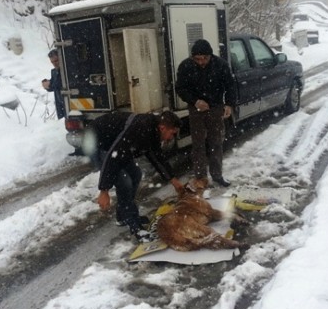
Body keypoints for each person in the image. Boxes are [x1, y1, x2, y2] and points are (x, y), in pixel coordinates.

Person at [83, 111, 184, 241]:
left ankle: (123, 216)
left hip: (115, 145)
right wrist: (104, 190)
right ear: (163, 128)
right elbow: (113, 157)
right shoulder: (140, 130)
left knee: (136, 174)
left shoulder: (153, 131)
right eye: (172, 133)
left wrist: (173, 180)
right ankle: (135, 227)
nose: (172, 138)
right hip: (98, 143)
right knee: (125, 181)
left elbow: (156, 157)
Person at [175, 39, 236, 187]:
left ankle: (217, 175)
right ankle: (201, 177)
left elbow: (230, 86)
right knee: (198, 144)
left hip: (216, 107)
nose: (201, 62)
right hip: (196, 109)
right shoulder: (186, 66)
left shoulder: (221, 65)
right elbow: (180, 88)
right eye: (197, 59)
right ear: (192, 58)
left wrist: (229, 104)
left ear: (210, 56)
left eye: (204, 58)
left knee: (216, 142)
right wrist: (195, 101)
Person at [41, 49, 65, 119]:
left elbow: (59, 84)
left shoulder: (67, 71)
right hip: (60, 106)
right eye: (52, 62)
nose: (54, 64)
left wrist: (50, 84)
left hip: (68, 104)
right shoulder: (54, 71)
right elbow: (53, 85)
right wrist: (47, 85)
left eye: (56, 61)